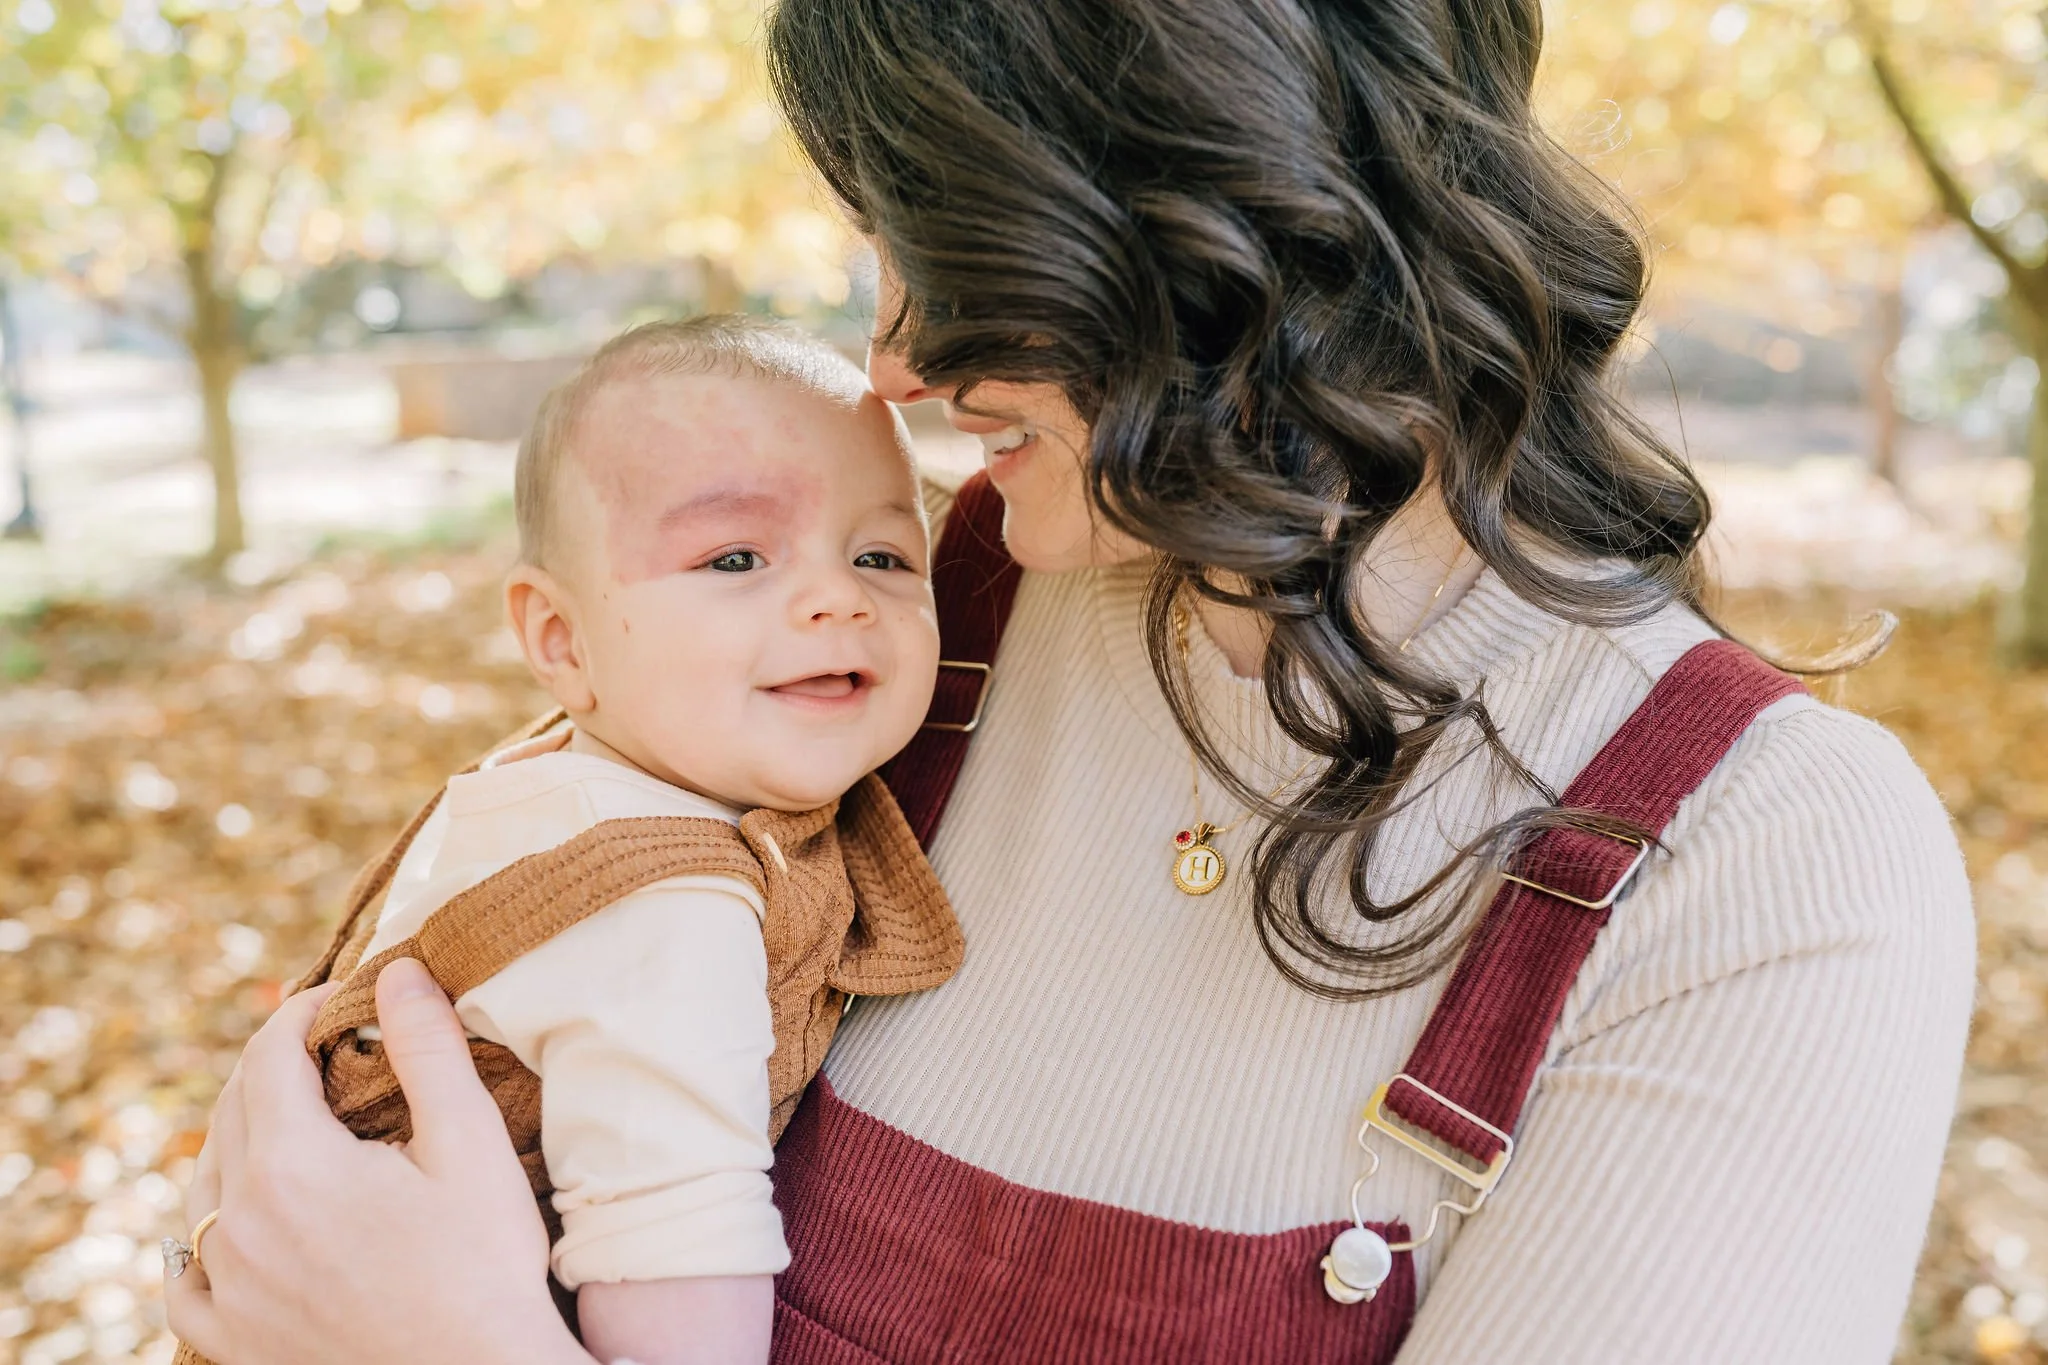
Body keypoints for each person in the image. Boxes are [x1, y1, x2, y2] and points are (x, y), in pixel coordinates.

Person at [164, 0, 1977, 1360]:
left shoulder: (1760, 867)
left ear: (1209, 189)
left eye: (945, 238)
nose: (887, 353)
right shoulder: (899, 624)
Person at [165, 316, 963, 1365]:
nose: (838, 597)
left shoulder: (560, 775)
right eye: (733, 556)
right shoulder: (660, 905)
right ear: (560, 640)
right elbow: (683, 1299)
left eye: (882, 553)